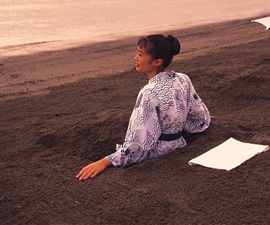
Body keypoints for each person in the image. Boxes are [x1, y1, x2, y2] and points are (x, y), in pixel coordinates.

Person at [76, 34, 210, 181]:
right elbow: (199, 116)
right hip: (180, 142)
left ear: (157, 62)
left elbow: (139, 145)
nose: (135, 58)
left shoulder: (149, 92)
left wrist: (105, 161)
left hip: (162, 150)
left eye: (140, 55)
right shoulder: (183, 78)